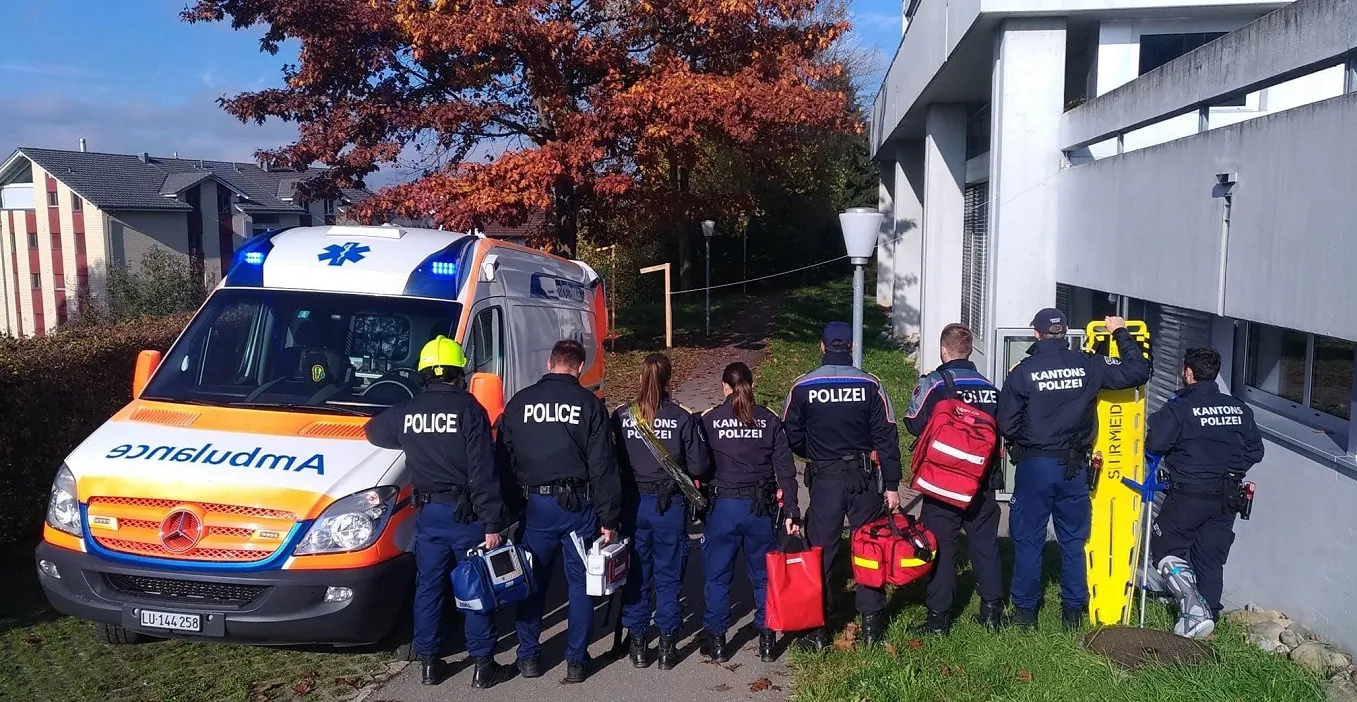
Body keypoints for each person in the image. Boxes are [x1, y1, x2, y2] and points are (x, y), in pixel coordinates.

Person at [363, 336, 516, 689]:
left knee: (428, 588)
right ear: (458, 372)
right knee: (474, 586)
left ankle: (429, 663)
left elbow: (372, 430)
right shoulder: (470, 410)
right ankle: (483, 665)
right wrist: (493, 521)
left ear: (424, 374)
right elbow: (483, 470)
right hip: (467, 515)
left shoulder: (409, 410)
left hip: (428, 516)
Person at [997, 309, 1151, 630]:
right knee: (1073, 540)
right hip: (1074, 467)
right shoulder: (1089, 365)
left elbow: (1006, 424)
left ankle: (1025, 616)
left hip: (1035, 465)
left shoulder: (1023, 372)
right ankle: (1073, 614)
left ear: (1036, 334)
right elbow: (1138, 371)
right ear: (1065, 332)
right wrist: (1120, 332)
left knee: (1028, 539)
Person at [498, 339, 622, 684]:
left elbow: (504, 461)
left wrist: (511, 509)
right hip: (578, 509)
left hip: (534, 507)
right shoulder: (589, 404)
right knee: (580, 585)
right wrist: (609, 518)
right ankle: (576, 661)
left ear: (550, 363)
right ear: (579, 367)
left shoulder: (519, 403)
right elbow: (603, 467)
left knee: (531, 581)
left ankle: (528, 659)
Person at [782, 321, 902, 650]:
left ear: (822, 347)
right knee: (868, 548)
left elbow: (789, 435)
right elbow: (887, 438)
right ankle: (872, 625)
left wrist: (816, 453)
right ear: (850, 347)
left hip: (825, 479)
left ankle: (816, 630)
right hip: (864, 479)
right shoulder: (871, 385)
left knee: (821, 551)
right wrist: (892, 484)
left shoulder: (803, 387)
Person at [1147, 347, 1264, 638]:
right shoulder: (1238, 407)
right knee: (1210, 559)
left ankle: (1194, 611)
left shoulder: (1180, 407)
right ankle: (1208, 624)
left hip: (1188, 495)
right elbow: (1255, 451)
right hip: (1226, 497)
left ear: (1188, 373)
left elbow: (1154, 445)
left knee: (1165, 550)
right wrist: (1231, 470)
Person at [903, 323, 1005, 635]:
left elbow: (912, 423)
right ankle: (991, 613)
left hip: (943, 484)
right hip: (981, 482)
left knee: (942, 548)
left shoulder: (934, 384)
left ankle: (938, 621)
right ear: (970, 350)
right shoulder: (990, 388)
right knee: (985, 545)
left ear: (944, 351)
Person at [611, 353, 709, 670]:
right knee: (668, 577)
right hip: (669, 507)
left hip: (633, 506)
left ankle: (638, 644)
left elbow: (611, 463)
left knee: (637, 574)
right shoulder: (682, 417)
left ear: (641, 377)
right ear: (669, 379)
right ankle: (667, 646)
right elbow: (699, 466)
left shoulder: (623, 415)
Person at [699, 362, 800, 663]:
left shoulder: (710, 420)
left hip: (723, 508)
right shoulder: (769, 421)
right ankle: (767, 640)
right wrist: (792, 510)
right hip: (760, 509)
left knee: (717, 576)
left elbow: (699, 466)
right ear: (752, 386)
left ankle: (716, 641)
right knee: (763, 577)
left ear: (724, 387)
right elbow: (786, 471)